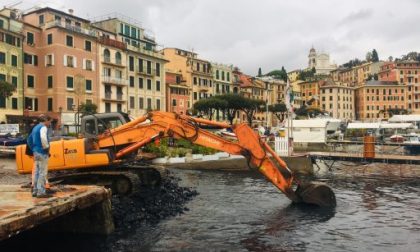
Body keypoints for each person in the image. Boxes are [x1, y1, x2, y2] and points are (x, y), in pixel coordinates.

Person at [28, 114, 53, 198]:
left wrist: (33, 149)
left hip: (35, 152)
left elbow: (29, 140)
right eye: (49, 122)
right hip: (42, 152)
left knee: (36, 172)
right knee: (42, 172)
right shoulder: (43, 127)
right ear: (46, 120)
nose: (49, 124)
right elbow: (43, 138)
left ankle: (35, 191)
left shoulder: (35, 128)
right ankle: (41, 192)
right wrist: (46, 148)